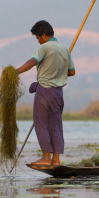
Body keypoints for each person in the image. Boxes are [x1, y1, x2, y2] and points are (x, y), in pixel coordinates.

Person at [16, 20, 75, 165]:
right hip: (58, 94)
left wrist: (15, 72)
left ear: (43, 35)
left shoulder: (44, 48)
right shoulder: (64, 49)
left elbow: (31, 62)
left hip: (44, 91)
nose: (38, 41)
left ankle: (46, 158)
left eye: (38, 38)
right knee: (55, 124)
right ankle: (56, 159)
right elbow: (72, 72)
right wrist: (59, 70)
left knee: (41, 123)